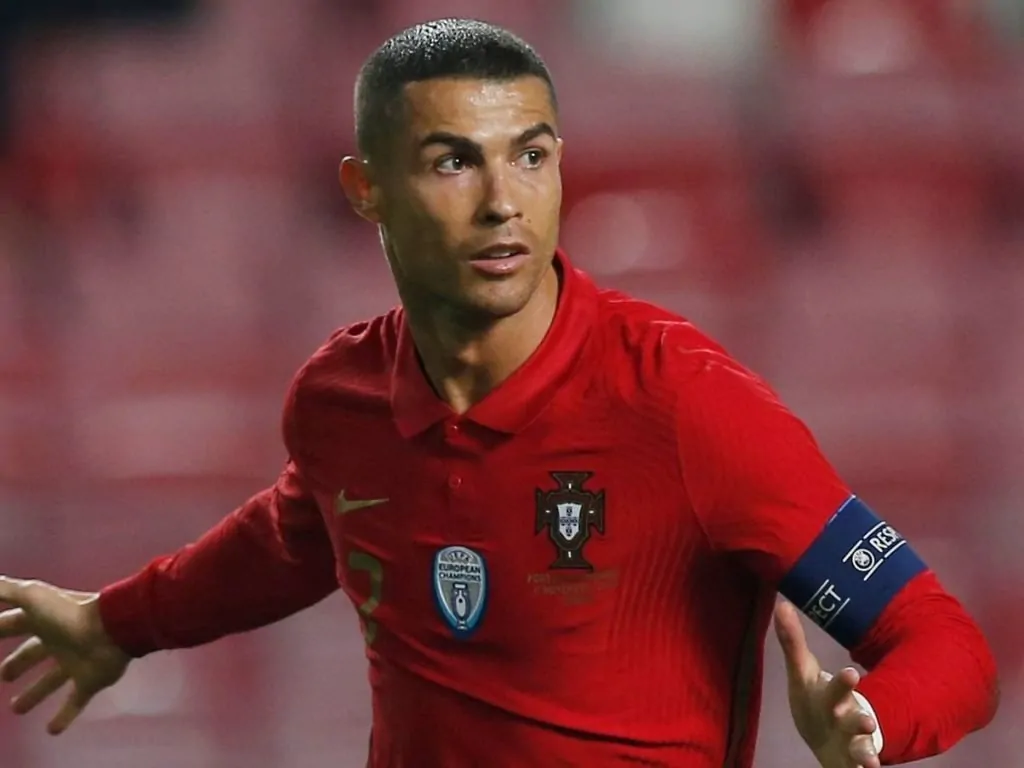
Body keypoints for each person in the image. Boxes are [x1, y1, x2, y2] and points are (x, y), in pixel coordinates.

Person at [0, 18, 998, 768]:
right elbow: (288, 540)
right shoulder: (341, 402)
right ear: (365, 189)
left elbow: (942, 641)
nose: (501, 202)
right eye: (452, 162)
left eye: (530, 156)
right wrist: (118, 624)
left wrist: (877, 719)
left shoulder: (685, 404)